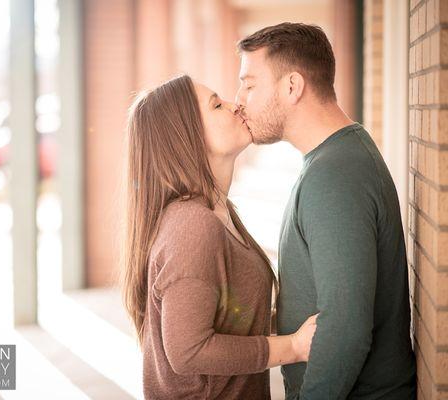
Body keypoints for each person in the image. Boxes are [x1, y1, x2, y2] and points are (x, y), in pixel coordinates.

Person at [235, 22, 417, 399]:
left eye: (250, 84)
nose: (240, 99)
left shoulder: (336, 175)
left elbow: (345, 329)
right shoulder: (334, 159)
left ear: (291, 87)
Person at [121, 74, 317, 400]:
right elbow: (188, 351)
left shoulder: (220, 213)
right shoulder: (193, 226)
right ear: (188, 137)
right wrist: (294, 347)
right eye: (217, 104)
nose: (234, 104)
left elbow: (234, 319)